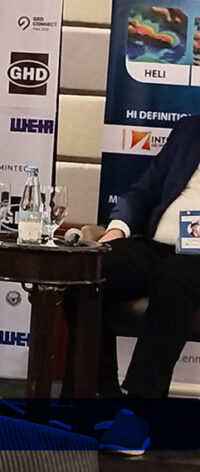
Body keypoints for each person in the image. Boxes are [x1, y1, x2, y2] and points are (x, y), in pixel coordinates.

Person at [97, 114, 200, 399]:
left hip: (193, 263)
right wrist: (117, 229)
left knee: (174, 275)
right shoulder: (189, 129)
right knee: (90, 268)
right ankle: (97, 389)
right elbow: (144, 191)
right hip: (160, 245)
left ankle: (141, 404)